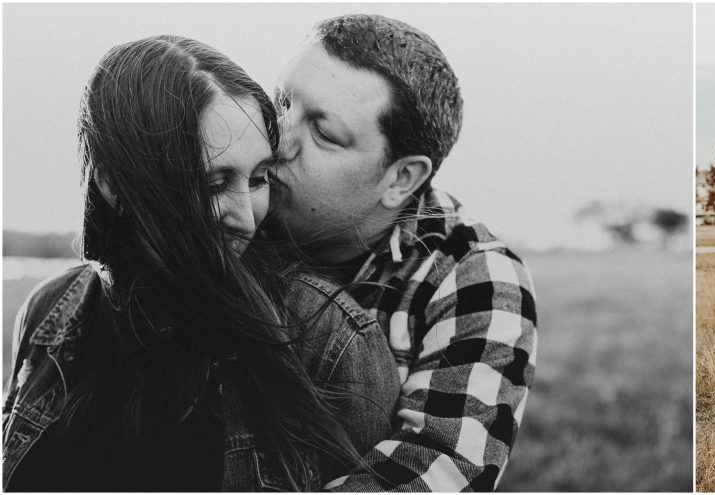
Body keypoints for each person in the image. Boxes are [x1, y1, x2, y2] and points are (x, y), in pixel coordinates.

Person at [2, 35, 399, 491]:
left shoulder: (328, 338)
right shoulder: (50, 311)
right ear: (114, 185)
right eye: (213, 184)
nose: (246, 219)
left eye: (257, 178)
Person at [264, 14, 537, 491]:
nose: (278, 139)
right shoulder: (223, 210)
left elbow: (435, 471)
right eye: (282, 103)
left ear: (401, 179)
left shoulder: (474, 274)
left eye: (323, 133)